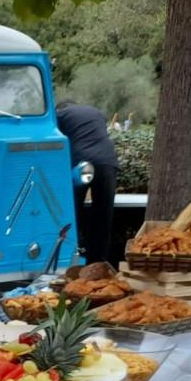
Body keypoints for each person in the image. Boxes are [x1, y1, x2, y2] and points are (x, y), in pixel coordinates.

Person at [56, 101, 119, 262]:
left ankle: (71, 257)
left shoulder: (60, 114)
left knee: (72, 210)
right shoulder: (96, 111)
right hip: (108, 161)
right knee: (103, 214)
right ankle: (99, 261)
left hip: (82, 162)